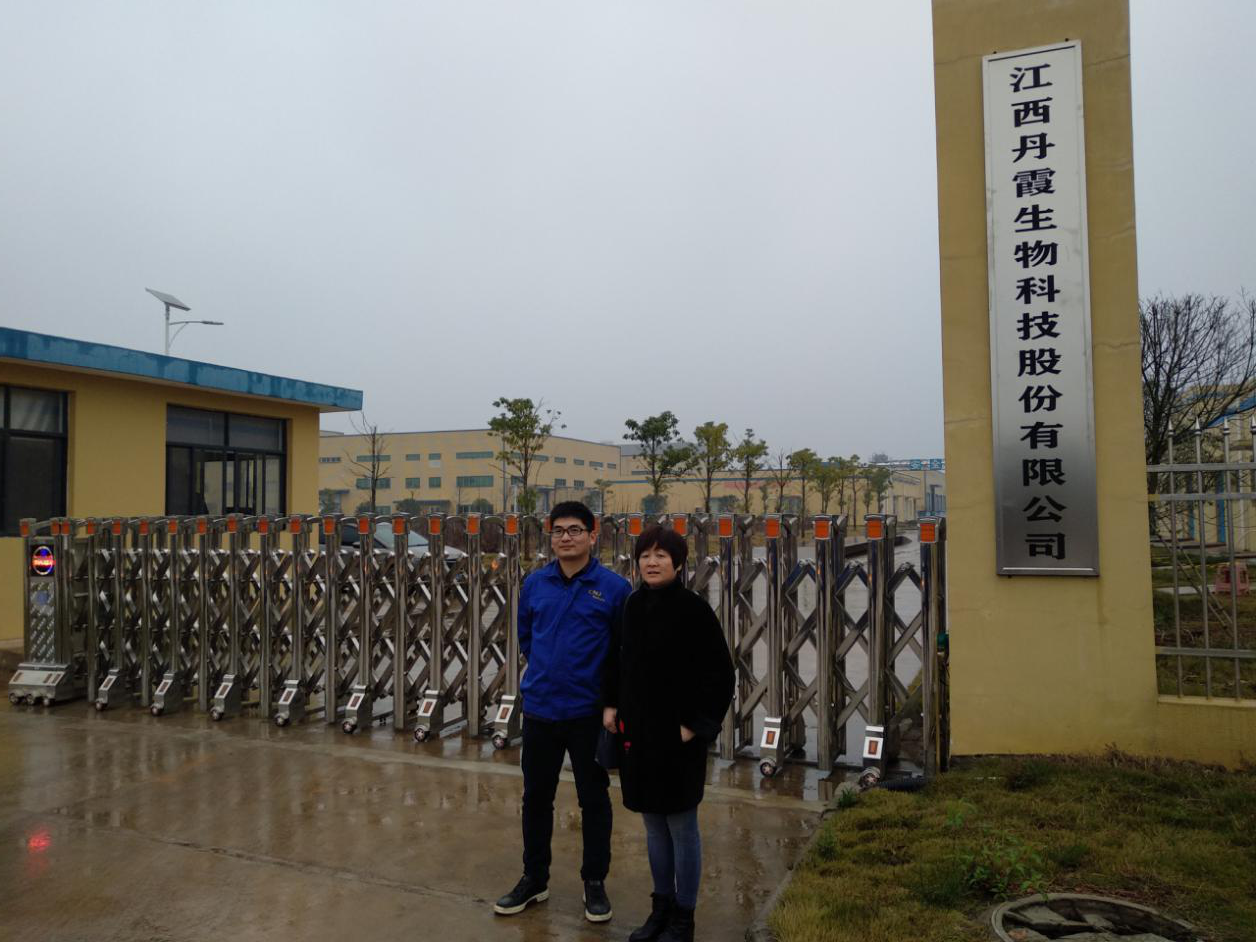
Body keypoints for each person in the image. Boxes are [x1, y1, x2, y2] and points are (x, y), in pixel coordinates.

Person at [494, 501, 632, 923]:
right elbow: (527, 637)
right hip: (540, 709)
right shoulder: (536, 583)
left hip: (588, 713)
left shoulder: (614, 589)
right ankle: (534, 878)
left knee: (594, 799)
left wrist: (611, 702)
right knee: (536, 798)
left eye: (574, 530)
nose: (566, 538)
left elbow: (622, 651)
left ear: (593, 535)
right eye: (558, 531)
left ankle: (595, 882)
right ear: (549, 537)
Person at [602, 524, 735, 943]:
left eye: (661, 555)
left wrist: (694, 726)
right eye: (645, 555)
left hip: (678, 737)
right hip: (638, 734)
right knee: (653, 825)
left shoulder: (694, 610)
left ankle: (683, 918)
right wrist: (610, 704)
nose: (652, 562)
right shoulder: (632, 605)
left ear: (678, 563)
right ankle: (660, 909)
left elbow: (720, 675)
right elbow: (617, 660)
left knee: (681, 826)